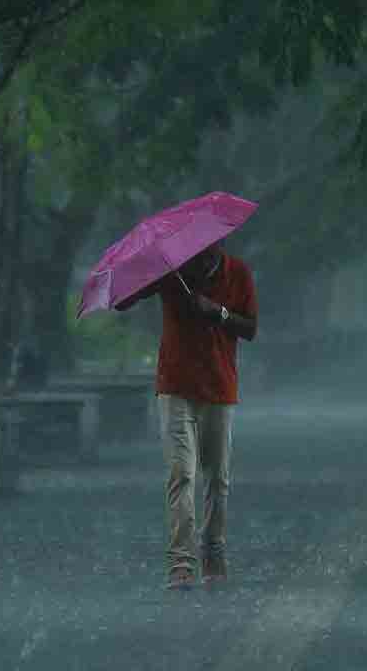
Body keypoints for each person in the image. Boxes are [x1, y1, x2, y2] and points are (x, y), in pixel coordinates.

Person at [117, 240, 258, 590]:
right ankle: (181, 562)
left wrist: (219, 313)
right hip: (175, 386)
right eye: (195, 252)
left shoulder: (237, 273)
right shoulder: (172, 273)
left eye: (208, 251)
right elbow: (123, 302)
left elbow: (251, 328)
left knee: (217, 477)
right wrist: (142, 272)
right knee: (182, 473)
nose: (200, 257)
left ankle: (213, 550)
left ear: (219, 246)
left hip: (219, 387)